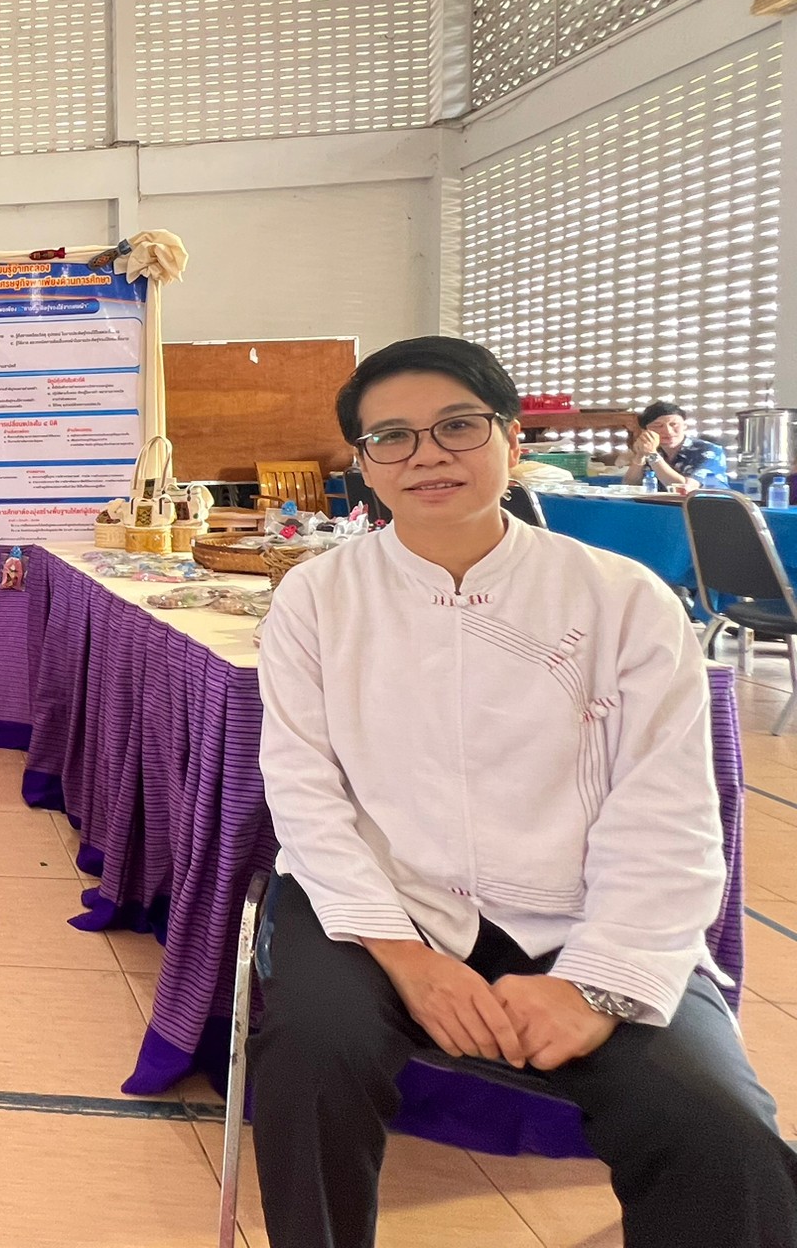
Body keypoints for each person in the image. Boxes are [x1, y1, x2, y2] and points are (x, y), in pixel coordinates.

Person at [253, 335, 797, 1248]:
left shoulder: (624, 601)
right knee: (312, 1054)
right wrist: (408, 957)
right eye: (392, 437)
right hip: (385, 907)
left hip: (584, 916)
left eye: (457, 426)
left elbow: (668, 815)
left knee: (720, 1130)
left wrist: (596, 987)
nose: (427, 455)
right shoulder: (317, 599)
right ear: (364, 467)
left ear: (510, 441)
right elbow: (305, 795)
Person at [627, 400, 728, 492]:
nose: (668, 431)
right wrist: (640, 456)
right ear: (645, 431)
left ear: (684, 426)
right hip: (665, 505)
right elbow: (629, 486)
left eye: (674, 424)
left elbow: (684, 489)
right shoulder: (653, 450)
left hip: (708, 504)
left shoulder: (709, 450)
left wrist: (652, 455)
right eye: (658, 426)